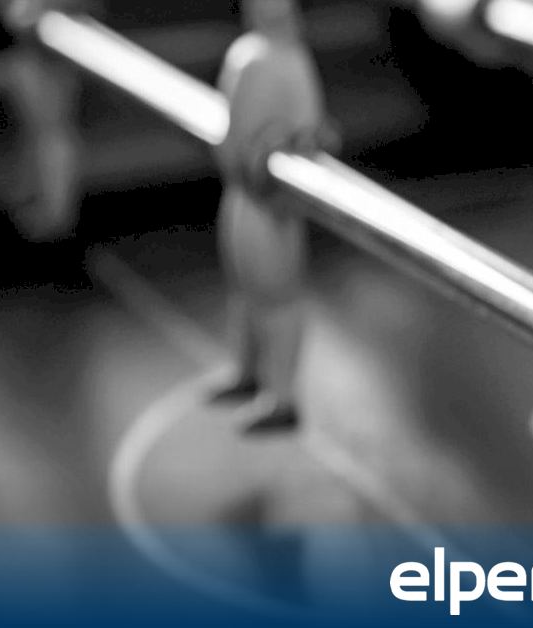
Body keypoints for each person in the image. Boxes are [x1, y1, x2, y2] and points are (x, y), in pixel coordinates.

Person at [212, 0, 327, 433]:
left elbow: (308, 129)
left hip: (268, 195)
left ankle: (282, 397)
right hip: (241, 185)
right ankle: (245, 369)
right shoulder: (248, 52)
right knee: (244, 283)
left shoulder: (291, 60)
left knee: (275, 292)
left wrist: (282, 159)